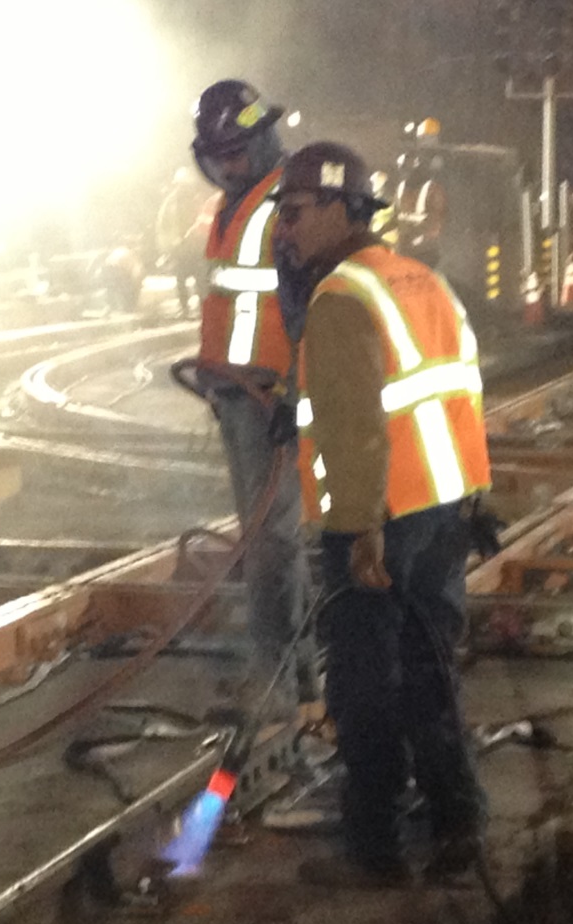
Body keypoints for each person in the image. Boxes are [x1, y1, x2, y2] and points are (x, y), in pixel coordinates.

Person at [272, 141, 490, 888]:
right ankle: (459, 820)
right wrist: (474, 496)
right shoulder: (421, 278)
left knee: (363, 687)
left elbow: (357, 424)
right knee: (431, 671)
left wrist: (358, 528)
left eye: (296, 213)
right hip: (445, 506)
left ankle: (375, 844)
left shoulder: (341, 296)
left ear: (338, 209)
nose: (286, 230)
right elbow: (458, 387)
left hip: (379, 517)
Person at [187, 79, 318, 719]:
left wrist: (296, 393)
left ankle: (279, 686)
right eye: (221, 154)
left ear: (262, 137)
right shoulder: (235, 204)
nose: (230, 163)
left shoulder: (284, 205)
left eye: (239, 151)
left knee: (273, 542)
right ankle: (297, 677)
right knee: (262, 540)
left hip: (272, 400)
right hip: (238, 397)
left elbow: (314, 309)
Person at [155, 166, 215, 319]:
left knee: (201, 280)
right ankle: (185, 310)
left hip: (196, 248)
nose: (185, 188)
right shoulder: (170, 204)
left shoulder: (197, 200)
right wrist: (168, 248)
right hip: (179, 249)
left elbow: (206, 221)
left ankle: (204, 310)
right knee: (181, 280)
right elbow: (163, 226)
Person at [395, 119, 448, 270]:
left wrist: (419, 240)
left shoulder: (433, 182)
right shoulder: (403, 189)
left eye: (429, 138)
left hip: (424, 253)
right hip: (411, 252)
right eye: (424, 138)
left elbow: (436, 223)